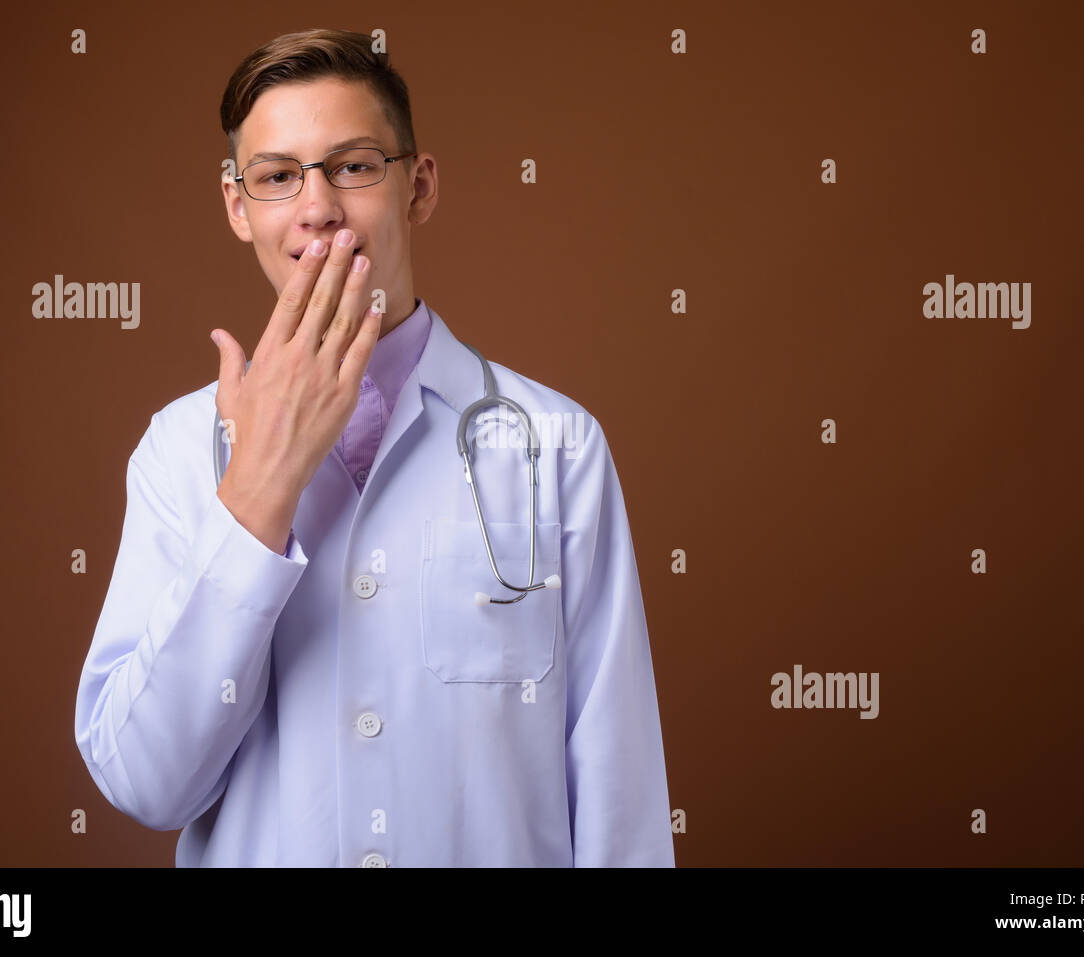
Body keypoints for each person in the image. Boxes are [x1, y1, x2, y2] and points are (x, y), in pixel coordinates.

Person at [73, 27, 674, 867]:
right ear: (237, 208)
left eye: (353, 165)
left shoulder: (556, 446)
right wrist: (257, 492)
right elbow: (147, 783)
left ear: (418, 186)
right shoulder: (179, 451)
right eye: (277, 176)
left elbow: (621, 802)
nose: (317, 206)